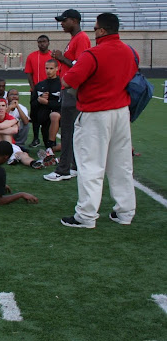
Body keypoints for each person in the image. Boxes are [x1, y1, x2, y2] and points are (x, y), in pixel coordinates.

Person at [59, 13, 138, 228]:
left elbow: (69, 80)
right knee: (121, 164)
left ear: (102, 30)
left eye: (96, 29)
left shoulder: (92, 54)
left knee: (90, 165)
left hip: (95, 113)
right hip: (121, 111)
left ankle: (86, 215)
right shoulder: (130, 52)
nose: (94, 32)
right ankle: (125, 212)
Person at [45, 9, 91, 182]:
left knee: (68, 131)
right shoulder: (76, 39)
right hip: (69, 90)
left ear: (74, 20)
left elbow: (81, 65)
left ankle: (63, 170)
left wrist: (62, 58)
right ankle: (73, 166)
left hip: (73, 91)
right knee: (71, 132)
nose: (62, 24)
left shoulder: (82, 39)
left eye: (64, 21)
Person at [0, 98, 45, 169]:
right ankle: (10, 155)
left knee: (23, 154)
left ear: (6, 107)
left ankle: (33, 163)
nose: (1, 108)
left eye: (3, 105)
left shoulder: (10, 117)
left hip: (9, 143)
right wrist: (15, 121)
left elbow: (15, 130)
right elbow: (1, 126)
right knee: (3, 133)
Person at [25, 35, 54, 147]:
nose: (42, 44)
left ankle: (50, 139)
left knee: (50, 116)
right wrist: (34, 89)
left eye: (44, 41)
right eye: (40, 42)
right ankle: (36, 138)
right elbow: (29, 73)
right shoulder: (32, 56)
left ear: (48, 42)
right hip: (36, 91)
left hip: (50, 92)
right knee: (35, 115)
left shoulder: (53, 57)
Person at [33, 59, 62, 151]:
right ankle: (55, 146)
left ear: (57, 68)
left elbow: (63, 104)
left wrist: (47, 102)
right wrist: (38, 100)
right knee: (49, 147)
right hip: (44, 120)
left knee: (54, 115)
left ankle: (55, 143)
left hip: (62, 117)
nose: (48, 71)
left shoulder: (62, 85)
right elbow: (32, 104)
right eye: (46, 68)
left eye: (51, 68)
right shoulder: (39, 85)